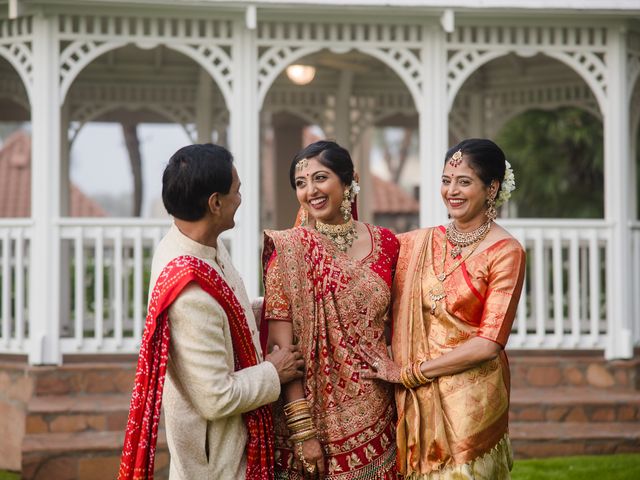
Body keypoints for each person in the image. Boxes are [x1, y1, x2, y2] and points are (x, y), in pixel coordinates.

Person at [118, 143, 304, 480]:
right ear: (215, 203)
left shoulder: (200, 245)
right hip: (214, 459)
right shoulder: (189, 290)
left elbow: (228, 315)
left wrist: (277, 306)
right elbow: (216, 398)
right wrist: (274, 372)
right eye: (237, 190)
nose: (241, 199)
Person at [363, 138, 525, 479]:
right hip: (416, 398)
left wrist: (410, 373)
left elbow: (489, 343)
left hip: (470, 398)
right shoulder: (416, 243)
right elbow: (364, 269)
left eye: (464, 182)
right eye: (446, 180)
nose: (452, 190)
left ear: (491, 188)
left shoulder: (506, 251)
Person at [262, 140, 401, 479]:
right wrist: (302, 432)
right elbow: (282, 351)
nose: (311, 191)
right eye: (300, 183)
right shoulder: (288, 253)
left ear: (349, 179)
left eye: (320, 178)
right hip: (313, 412)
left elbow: (397, 324)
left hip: (380, 407)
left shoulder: (388, 244)